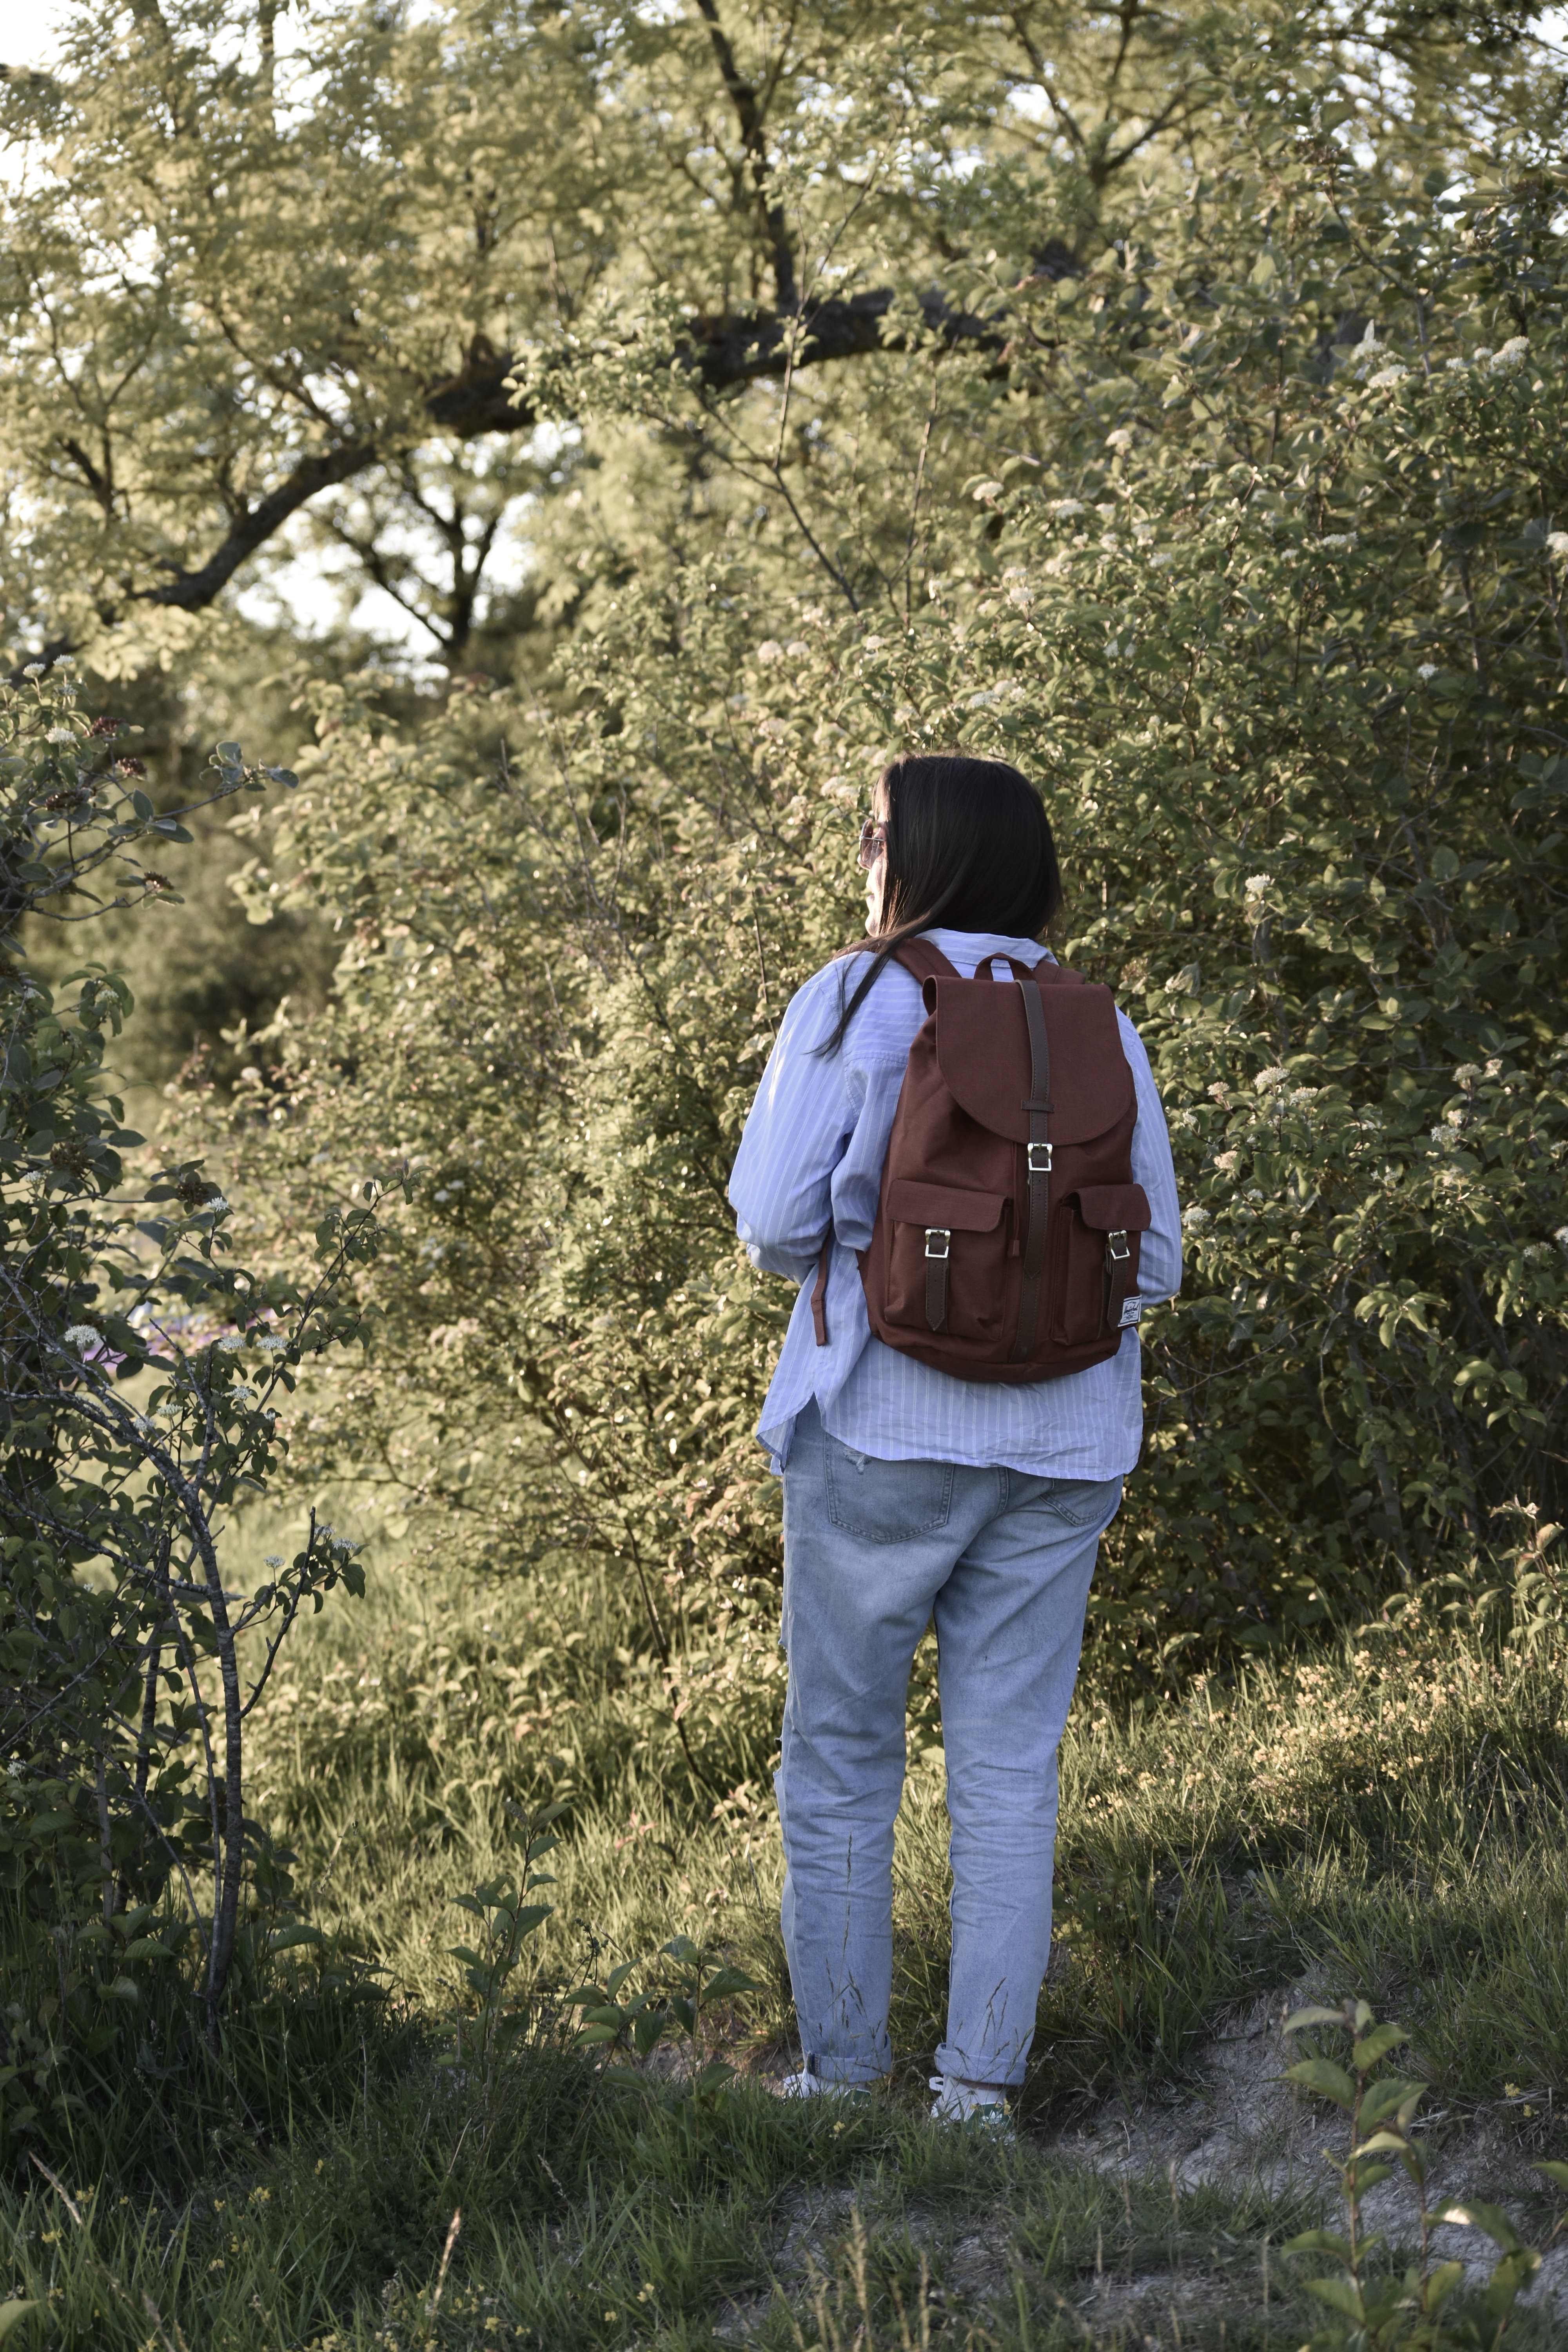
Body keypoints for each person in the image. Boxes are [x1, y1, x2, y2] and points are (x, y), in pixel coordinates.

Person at [726, 751, 1181, 2125]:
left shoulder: (858, 995)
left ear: (919, 855)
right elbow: (1153, 1263)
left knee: (847, 1756)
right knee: (1004, 1769)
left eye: (876, 832)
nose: (863, 853)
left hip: (881, 1426)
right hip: (1068, 1444)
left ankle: (845, 2072)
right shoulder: (1096, 1018)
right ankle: (978, 2091)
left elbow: (768, 1225)